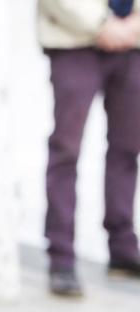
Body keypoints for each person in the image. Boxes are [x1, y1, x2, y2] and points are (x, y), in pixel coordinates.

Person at [38, 0, 140, 296]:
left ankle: (123, 249)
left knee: (128, 149)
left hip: (132, 44)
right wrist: (100, 24)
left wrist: (133, 25)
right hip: (74, 41)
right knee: (66, 152)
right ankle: (61, 257)